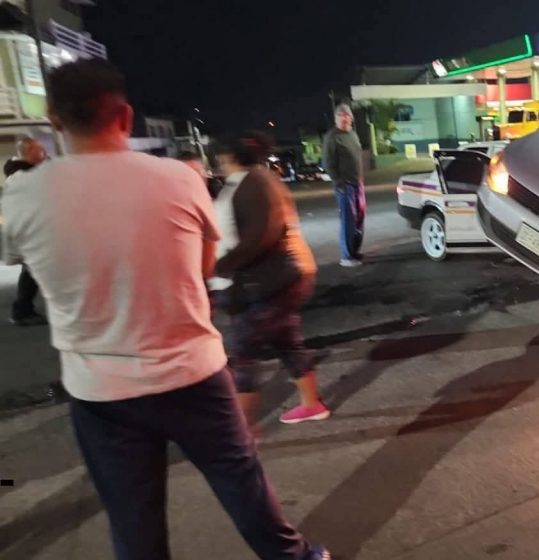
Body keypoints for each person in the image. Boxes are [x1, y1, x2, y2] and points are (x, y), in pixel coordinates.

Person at [1, 59, 328, 560]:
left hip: (100, 388)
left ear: (54, 120)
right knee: (241, 483)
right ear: (126, 116)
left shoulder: (23, 193)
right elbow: (203, 267)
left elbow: (18, 257)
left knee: (134, 516)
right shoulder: (177, 178)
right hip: (192, 371)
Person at [211, 132, 328, 427]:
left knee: (243, 356)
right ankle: (311, 404)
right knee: (287, 342)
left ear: (229, 156)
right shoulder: (259, 179)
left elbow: (259, 237)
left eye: (220, 157)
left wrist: (220, 266)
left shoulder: (251, 184)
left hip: (265, 285)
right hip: (279, 280)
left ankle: (241, 431)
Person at [5, 137, 48, 326]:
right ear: (28, 152)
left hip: (33, 228)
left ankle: (23, 310)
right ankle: (22, 311)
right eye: (39, 150)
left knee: (32, 270)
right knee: (32, 270)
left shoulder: (26, 172)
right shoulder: (21, 176)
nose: (43, 153)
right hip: (30, 230)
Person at [322, 103, 364, 267]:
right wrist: (338, 182)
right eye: (341, 115)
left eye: (347, 115)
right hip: (344, 185)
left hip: (357, 183)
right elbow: (328, 163)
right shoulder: (332, 137)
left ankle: (354, 251)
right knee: (348, 221)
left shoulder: (352, 135)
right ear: (336, 118)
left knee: (359, 219)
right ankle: (347, 257)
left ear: (351, 118)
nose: (344, 118)